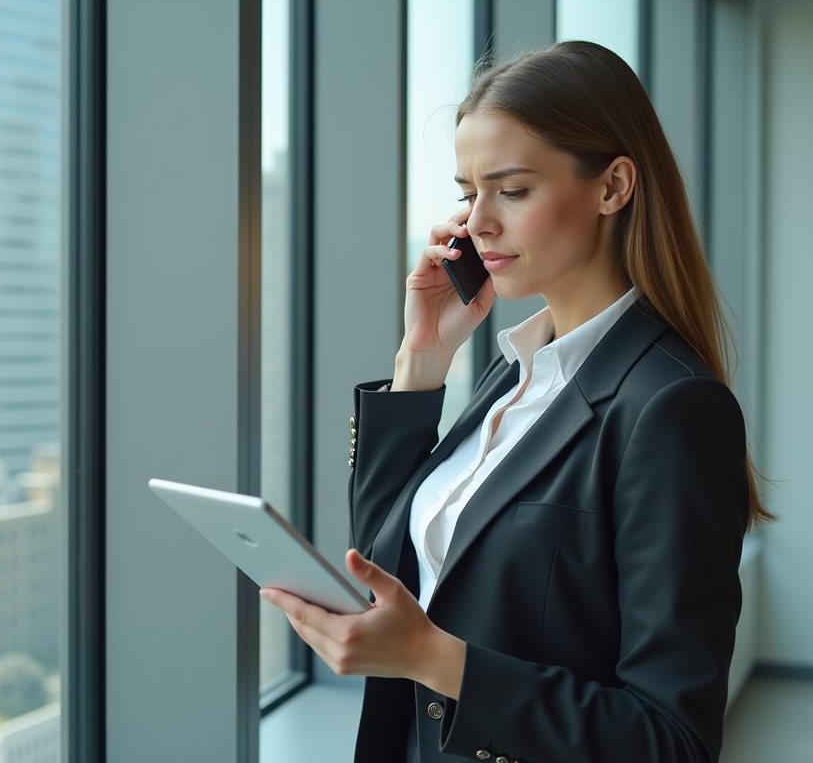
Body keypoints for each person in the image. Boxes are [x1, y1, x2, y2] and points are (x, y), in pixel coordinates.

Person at [260, 40, 772, 763]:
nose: (476, 224)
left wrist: (439, 660)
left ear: (613, 186)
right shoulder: (517, 376)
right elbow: (388, 558)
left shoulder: (671, 408)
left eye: (513, 190)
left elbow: (673, 741)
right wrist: (422, 362)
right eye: (470, 193)